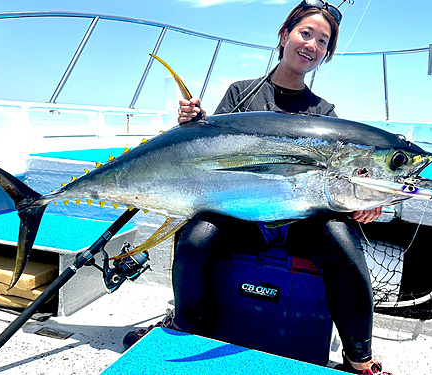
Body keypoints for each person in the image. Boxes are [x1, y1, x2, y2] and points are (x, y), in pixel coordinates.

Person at [124, 2, 391, 374]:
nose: (311, 45)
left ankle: (358, 359)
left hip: (299, 223)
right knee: (197, 237)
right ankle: (182, 326)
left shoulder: (324, 112)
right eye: (305, 33)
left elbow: (339, 180)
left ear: (326, 54)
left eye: (322, 41)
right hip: (238, 214)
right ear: (285, 36)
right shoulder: (241, 94)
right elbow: (204, 148)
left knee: (343, 241)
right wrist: (191, 121)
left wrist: (366, 200)